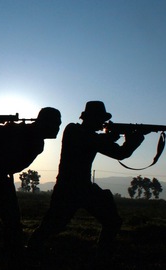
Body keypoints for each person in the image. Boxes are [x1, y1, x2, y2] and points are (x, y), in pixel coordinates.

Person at [26, 101, 145, 263]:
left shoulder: (90, 136)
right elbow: (105, 146)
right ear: (90, 118)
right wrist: (123, 138)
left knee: (112, 221)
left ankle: (103, 259)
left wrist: (132, 141)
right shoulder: (73, 130)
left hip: (83, 188)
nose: (102, 123)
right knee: (52, 226)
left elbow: (120, 152)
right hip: (69, 189)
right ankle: (29, 253)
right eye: (99, 119)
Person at [0, 107, 62, 270]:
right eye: (55, 124)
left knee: (10, 220)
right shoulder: (22, 133)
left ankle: (12, 259)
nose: (58, 129)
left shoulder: (35, 140)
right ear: (45, 123)